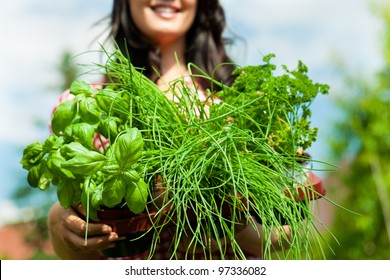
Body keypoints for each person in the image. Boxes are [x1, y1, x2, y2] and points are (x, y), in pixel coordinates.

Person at [48, 0, 292, 260]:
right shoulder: (86, 107)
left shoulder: (247, 102)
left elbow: (287, 227)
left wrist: (236, 232)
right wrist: (56, 222)